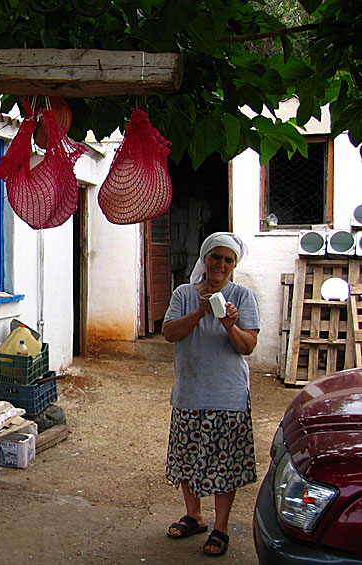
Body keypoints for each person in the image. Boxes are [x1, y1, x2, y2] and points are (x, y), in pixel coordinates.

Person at [161, 232, 260, 557]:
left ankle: (220, 527)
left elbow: (247, 346)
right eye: (215, 257)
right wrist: (199, 313)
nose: (221, 264)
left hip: (227, 394)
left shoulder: (242, 296)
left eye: (228, 260)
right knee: (188, 458)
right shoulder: (184, 294)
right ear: (204, 259)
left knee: (224, 463)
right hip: (190, 391)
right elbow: (169, 333)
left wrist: (230, 325)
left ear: (234, 266)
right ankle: (194, 516)